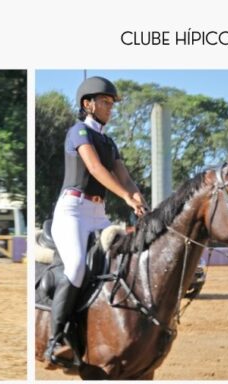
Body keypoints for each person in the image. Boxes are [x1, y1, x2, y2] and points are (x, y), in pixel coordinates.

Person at [45, 76, 147, 364]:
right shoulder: (79, 133)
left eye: (111, 104)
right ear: (88, 104)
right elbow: (94, 168)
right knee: (76, 266)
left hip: (98, 214)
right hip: (73, 211)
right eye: (105, 102)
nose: (110, 108)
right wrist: (125, 197)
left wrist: (138, 199)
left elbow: (124, 177)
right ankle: (56, 341)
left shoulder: (109, 141)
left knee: (123, 260)